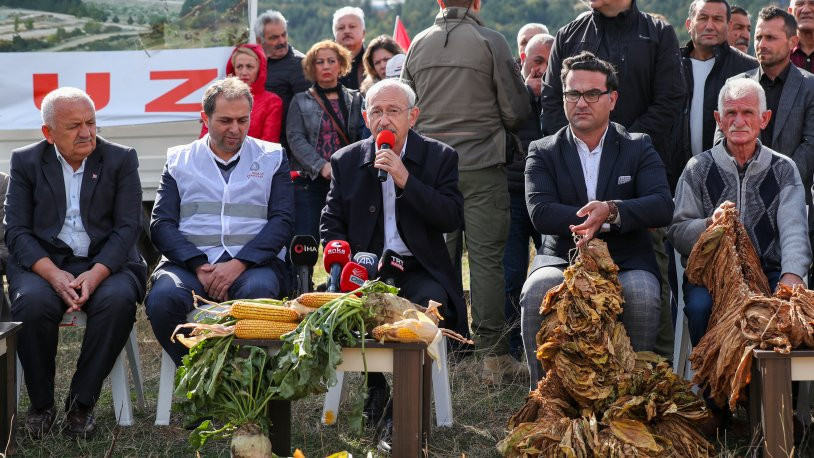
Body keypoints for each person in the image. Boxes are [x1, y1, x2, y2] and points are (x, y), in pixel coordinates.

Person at [320, 78, 465, 450]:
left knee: (423, 312)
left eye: (394, 111)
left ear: (412, 116)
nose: (385, 120)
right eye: (377, 112)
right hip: (365, 271)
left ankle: (402, 408)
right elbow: (330, 221)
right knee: (348, 306)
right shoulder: (347, 160)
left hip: (419, 270)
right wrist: (339, 251)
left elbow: (451, 217)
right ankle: (375, 388)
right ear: (366, 117)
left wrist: (405, 179)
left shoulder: (439, 156)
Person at [521, 52, 674, 390]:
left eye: (592, 94)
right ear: (562, 99)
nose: (582, 102)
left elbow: (662, 205)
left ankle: (631, 395)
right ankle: (544, 395)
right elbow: (540, 211)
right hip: (562, 254)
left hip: (626, 257)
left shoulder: (638, 146)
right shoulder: (543, 150)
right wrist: (593, 218)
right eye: (573, 94)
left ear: (612, 99)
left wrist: (612, 210)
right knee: (536, 290)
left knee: (643, 293)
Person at [6, 87, 147, 439]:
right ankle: (41, 406)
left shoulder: (121, 158)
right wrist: (52, 274)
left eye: (91, 122)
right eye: (73, 126)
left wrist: (96, 273)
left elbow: (128, 227)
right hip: (45, 263)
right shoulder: (25, 161)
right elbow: (17, 231)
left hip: (107, 262)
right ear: (48, 133)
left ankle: (80, 406)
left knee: (116, 302)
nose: (86, 133)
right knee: (32, 304)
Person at [402, 0, 531, 384]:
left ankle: (439, 347)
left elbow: (410, 109)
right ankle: (494, 359)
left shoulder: (417, 45)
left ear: (439, 3)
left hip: (431, 172)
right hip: (480, 165)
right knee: (486, 262)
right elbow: (515, 110)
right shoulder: (491, 41)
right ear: (477, 3)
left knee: (437, 260)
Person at [145, 77, 294, 365]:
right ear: (205, 118)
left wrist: (238, 264)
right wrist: (199, 265)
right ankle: (197, 375)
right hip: (190, 266)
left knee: (257, 295)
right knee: (163, 300)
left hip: (253, 265)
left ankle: (246, 381)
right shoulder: (180, 159)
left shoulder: (272, 157)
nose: (235, 129)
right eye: (225, 120)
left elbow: (282, 221)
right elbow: (161, 224)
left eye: (242, 120)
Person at [669, 77, 811, 347]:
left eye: (748, 113)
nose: (739, 121)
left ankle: (772, 388)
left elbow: (794, 230)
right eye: (730, 113)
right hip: (710, 276)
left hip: (770, 270)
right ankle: (714, 385)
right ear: (718, 119)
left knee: (786, 315)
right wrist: (709, 224)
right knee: (699, 309)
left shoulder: (783, 169)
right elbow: (677, 231)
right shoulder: (697, 168)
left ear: (764, 118)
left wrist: (791, 276)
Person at [541, 0, 685, 188]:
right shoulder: (568, 36)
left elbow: (670, 100)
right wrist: (581, 148)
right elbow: (551, 102)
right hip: (576, 171)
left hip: (641, 169)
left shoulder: (658, 34)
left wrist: (625, 145)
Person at [287, 41, 365, 263]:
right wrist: (321, 166)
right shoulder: (300, 100)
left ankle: (348, 283)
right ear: (312, 67)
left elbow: (362, 137)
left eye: (332, 61)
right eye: (320, 62)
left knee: (348, 239)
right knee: (305, 240)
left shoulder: (357, 98)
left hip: (347, 180)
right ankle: (301, 286)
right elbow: (295, 138)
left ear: (341, 65)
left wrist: (348, 167)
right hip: (310, 181)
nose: (326, 66)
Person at [503, 32, 553, 360]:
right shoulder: (509, 98)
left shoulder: (566, 100)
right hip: (512, 194)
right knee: (510, 273)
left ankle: (549, 344)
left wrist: (547, 97)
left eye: (546, 63)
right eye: (534, 61)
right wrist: (526, 95)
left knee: (552, 269)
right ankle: (511, 349)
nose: (538, 69)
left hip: (551, 198)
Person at [682, 0, 758, 159]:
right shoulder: (670, 66)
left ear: (728, 25)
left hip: (730, 172)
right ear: (689, 24)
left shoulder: (749, 68)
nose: (709, 26)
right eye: (703, 18)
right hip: (673, 175)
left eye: (717, 19)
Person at [200, 44, 283, 143]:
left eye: (250, 66)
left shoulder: (272, 102)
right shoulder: (217, 98)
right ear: (233, 69)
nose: (244, 72)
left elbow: (268, 143)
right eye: (239, 67)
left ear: (260, 69)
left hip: (257, 157)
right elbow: (205, 140)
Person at [255, 10, 310, 151]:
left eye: (283, 34)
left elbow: (307, 113)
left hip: (286, 149)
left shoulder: (300, 65)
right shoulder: (252, 64)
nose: (282, 41)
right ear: (259, 41)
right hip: (255, 143)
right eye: (274, 37)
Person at [333, 6, 366, 90]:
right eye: (341, 28)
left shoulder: (373, 62)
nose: (346, 31)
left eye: (352, 26)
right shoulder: (325, 64)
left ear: (363, 33)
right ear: (334, 35)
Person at [790, 0, 814, 73]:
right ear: (790, 12)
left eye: (813, 3)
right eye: (800, 4)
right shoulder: (779, 53)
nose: (806, 10)